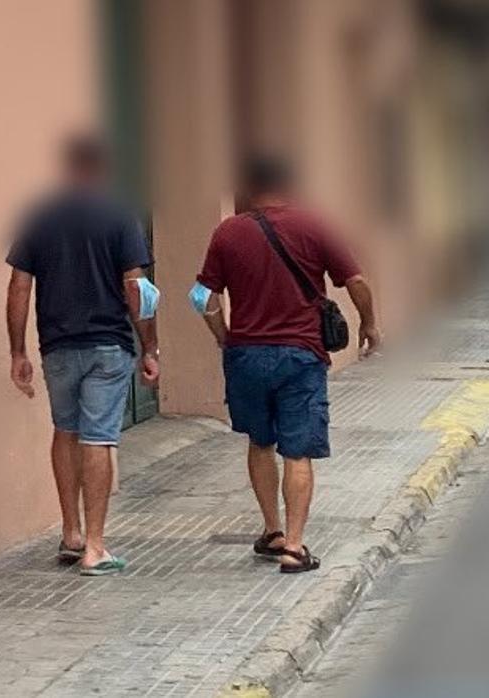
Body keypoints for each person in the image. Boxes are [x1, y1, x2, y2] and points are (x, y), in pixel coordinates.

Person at [190, 156, 381, 574]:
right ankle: (295, 547)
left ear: (248, 188)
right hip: (301, 355)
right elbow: (358, 282)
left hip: (246, 355)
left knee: (260, 442)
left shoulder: (228, 232)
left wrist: (223, 335)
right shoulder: (315, 225)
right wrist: (369, 325)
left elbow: (201, 295)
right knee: (298, 451)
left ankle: (272, 530)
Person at [5, 133, 159, 577]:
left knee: (65, 430)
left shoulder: (40, 216)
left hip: (57, 346)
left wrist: (17, 350)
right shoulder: (119, 215)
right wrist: (149, 346)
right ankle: (95, 546)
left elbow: (18, 285)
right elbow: (137, 288)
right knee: (98, 437)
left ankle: (70, 533)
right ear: (103, 168)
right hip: (108, 346)